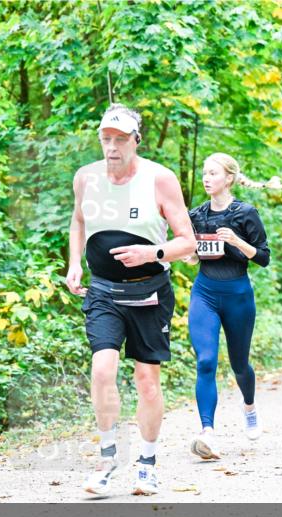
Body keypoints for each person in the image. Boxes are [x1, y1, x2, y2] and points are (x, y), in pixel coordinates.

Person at [67, 104, 195, 496]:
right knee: (102, 370)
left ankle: (147, 464)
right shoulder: (86, 178)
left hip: (149, 293)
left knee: (147, 382)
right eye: (106, 139)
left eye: (120, 140)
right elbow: (79, 221)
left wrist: (150, 254)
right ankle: (107, 462)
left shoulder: (160, 179)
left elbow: (187, 242)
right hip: (103, 291)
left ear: (136, 140)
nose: (112, 147)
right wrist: (75, 262)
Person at [183, 154, 278, 460]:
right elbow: (194, 253)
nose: (206, 178)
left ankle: (249, 406)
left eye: (212, 173)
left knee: (239, 365)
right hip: (205, 293)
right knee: (206, 361)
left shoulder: (246, 213)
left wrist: (237, 241)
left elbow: (263, 258)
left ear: (229, 179)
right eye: (204, 173)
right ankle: (207, 432)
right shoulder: (196, 214)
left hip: (238, 295)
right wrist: (192, 255)